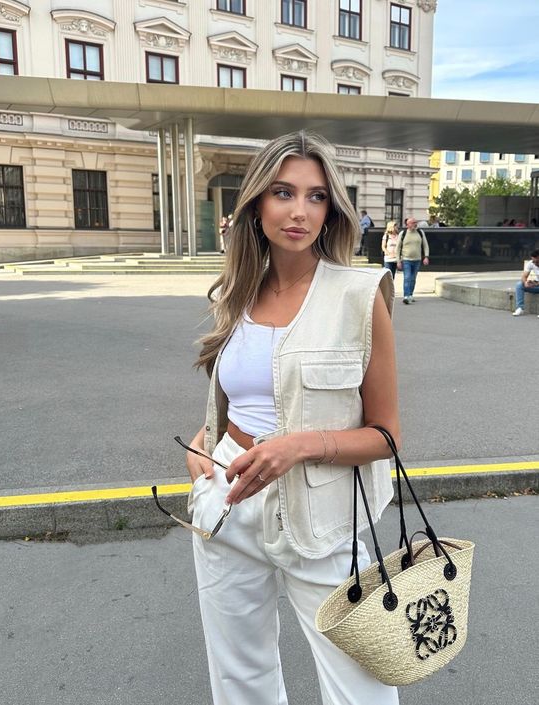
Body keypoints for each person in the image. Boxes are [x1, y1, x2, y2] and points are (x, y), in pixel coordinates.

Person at [177, 131, 400, 705]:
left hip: (321, 509)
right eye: (283, 192)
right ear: (256, 204)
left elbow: (386, 436)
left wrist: (296, 446)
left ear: (332, 209)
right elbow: (243, 395)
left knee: (360, 681)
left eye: (317, 196)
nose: (299, 211)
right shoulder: (237, 293)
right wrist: (203, 444)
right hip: (227, 491)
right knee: (238, 674)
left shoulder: (358, 293)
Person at [396, 217, 430, 304]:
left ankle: (410, 294)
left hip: (417, 259)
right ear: (407, 225)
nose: (415, 224)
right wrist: (398, 260)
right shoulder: (403, 234)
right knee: (407, 277)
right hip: (406, 259)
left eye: (416, 222)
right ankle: (406, 296)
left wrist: (426, 257)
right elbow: (398, 248)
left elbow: (425, 245)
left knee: (413, 278)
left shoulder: (420, 232)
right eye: (413, 223)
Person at [512, 248, 539, 316]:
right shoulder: (531, 263)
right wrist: (526, 282)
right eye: (534, 261)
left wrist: (536, 283)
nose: (535, 264)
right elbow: (524, 276)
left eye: (537, 262)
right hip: (537, 286)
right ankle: (520, 308)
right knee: (519, 285)